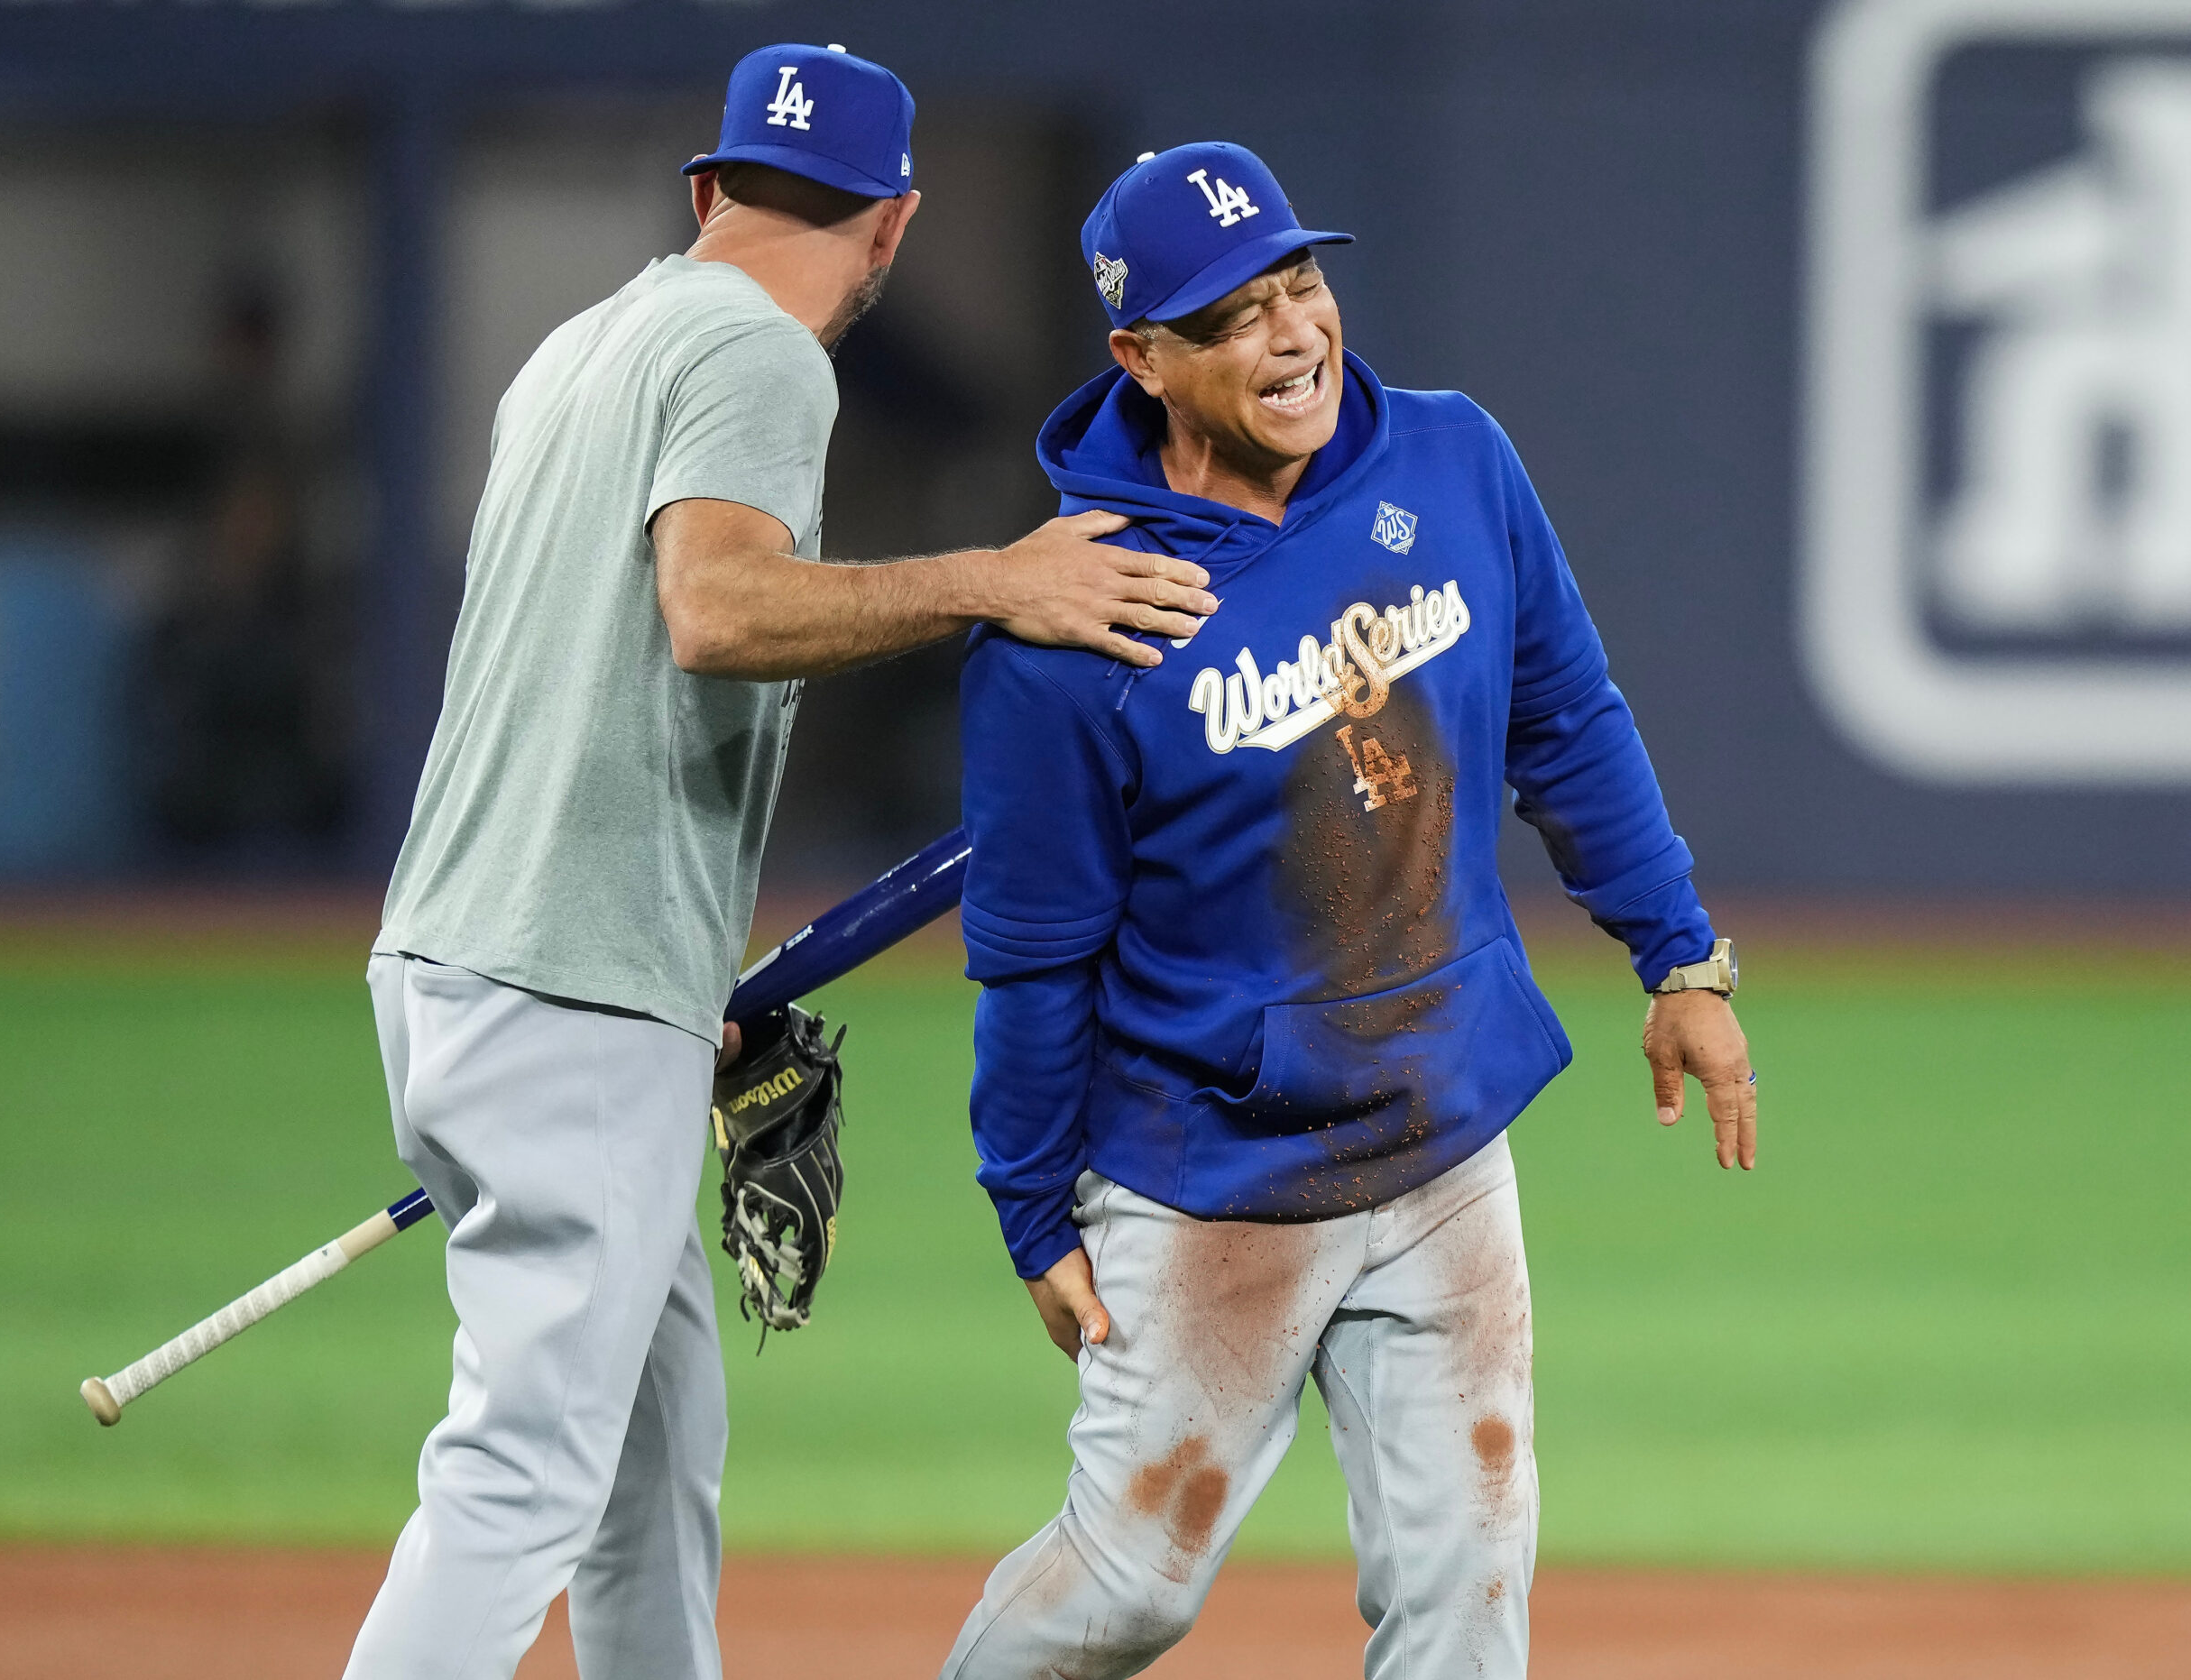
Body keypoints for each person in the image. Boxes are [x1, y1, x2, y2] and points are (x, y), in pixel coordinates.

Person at [344, 48, 1217, 1680]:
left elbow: (565, 681)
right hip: (562, 981)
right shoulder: (762, 355)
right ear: (893, 227)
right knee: (526, 1470)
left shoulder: (582, 348)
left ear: (708, 191)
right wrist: (992, 580)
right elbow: (717, 610)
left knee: (651, 1449)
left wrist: (680, 988)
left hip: (488, 954)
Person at [944, 142, 1755, 1679]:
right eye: (1235, 315)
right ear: (1143, 358)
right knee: (1127, 1592)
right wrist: (1028, 1198)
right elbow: (1034, 957)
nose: (1295, 333)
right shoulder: (1068, 620)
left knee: (1468, 1595)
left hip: (1444, 1136)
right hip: (1210, 1180)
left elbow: (1566, 720)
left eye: (1301, 284)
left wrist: (1679, 957)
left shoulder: (1454, 462)